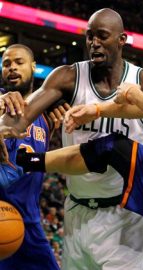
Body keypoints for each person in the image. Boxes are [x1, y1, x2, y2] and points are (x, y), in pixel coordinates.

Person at [0, 9, 143, 270]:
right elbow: (20, 118)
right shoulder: (67, 77)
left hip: (127, 217)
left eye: (102, 36)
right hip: (78, 214)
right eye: (90, 37)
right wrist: (4, 118)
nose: (94, 43)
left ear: (122, 39)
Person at [12, 132, 143, 270]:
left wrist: (133, 99)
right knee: (113, 147)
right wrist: (28, 161)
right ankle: (26, 161)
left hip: (132, 220)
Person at [0, 44, 60, 270]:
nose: (12, 68)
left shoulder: (47, 113)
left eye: (18, 62)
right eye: (6, 64)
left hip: (28, 223)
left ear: (34, 67)